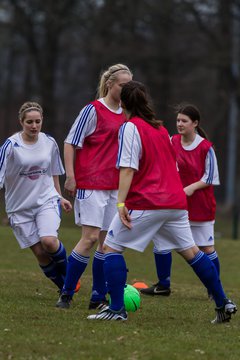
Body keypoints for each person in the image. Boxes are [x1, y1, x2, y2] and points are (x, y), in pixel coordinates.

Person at [87, 81, 237, 323]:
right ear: (146, 101)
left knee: (110, 248)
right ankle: (222, 302)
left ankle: (116, 309)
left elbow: (127, 169)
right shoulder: (160, 129)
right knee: (192, 252)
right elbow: (173, 167)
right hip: (176, 203)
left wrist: (120, 204)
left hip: (148, 200)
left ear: (123, 103)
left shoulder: (130, 127)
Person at [56, 63, 133, 309]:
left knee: (106, 243)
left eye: (129, 85)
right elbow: (70, 142)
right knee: (89, 238)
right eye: (123, 84)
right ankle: (66, 293)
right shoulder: (92, 110)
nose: (126, 89)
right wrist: (70, 175)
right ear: (110, 84)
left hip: (114, 187)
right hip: (91, 183)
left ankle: (98, 297)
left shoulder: (127, 113)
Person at [141, 104, 221, 298]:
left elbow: (210, 177)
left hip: (201, 205)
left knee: (205, 247)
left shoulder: (205, 148)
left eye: (184, 121)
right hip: (175, 203)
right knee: (161, 241)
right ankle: (163, 285)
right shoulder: (171, 141)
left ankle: (214, 288)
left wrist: (190, 188)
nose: (179, 124)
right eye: (178, 120)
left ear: (195, 123)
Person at [0, 101, 72, 291]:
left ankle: (70, 283)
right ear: (21, 122)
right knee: (40, 253)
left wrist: (60, 196)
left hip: (45, 201)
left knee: (49, 241)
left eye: (37, 121)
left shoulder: (49, 142)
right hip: (19, 208)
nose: (34, 126)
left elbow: (54, 171)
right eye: (29, 122)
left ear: (42, 121)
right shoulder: (11, 145)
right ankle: (65, 286)